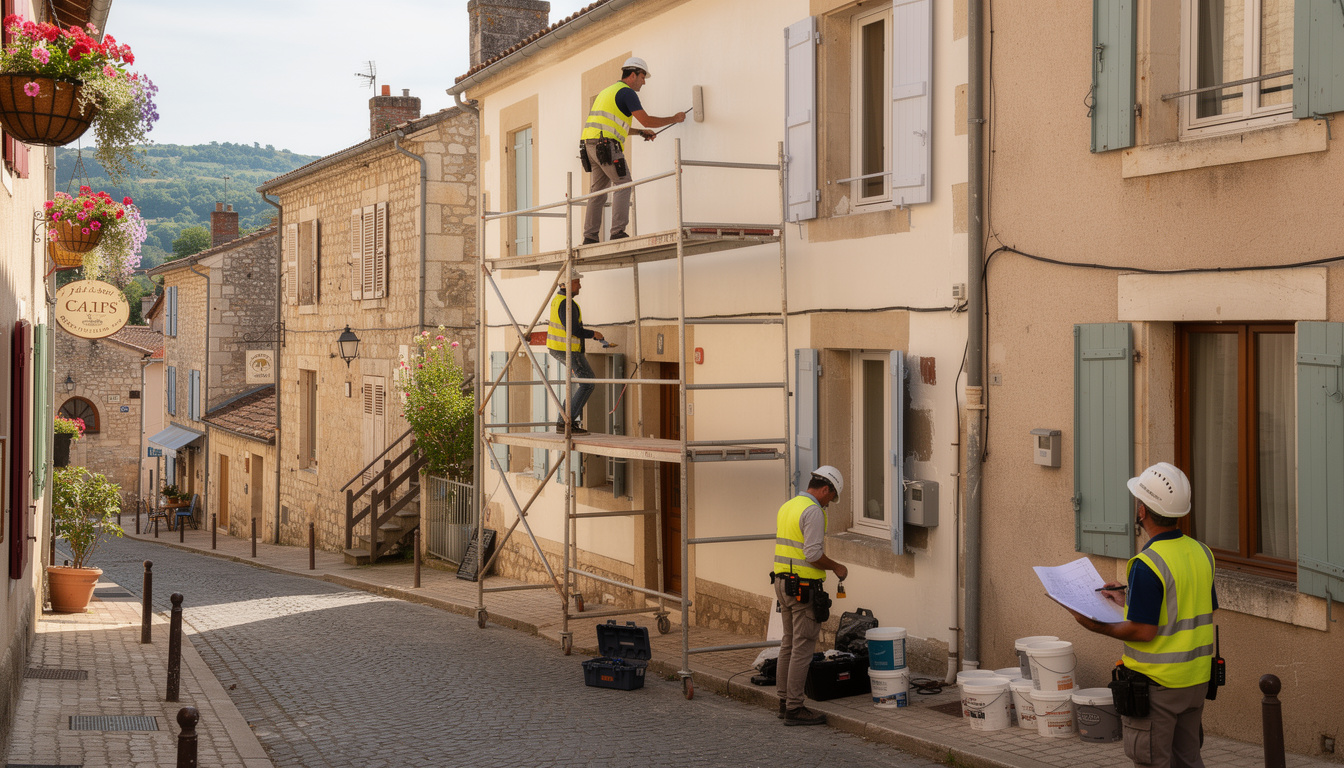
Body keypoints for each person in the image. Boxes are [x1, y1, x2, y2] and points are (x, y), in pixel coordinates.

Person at [1061, 462, 1217, 768]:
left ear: (1142, 510)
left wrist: (1093, 624)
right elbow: (1191, 605)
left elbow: (1144, 632)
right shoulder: (1202, 552)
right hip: (1196, 681)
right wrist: (1128, 601)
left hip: (1158, 686)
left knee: (1152, 762)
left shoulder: (1147, 563)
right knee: (1188, 761)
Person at [772, 466, 848, 726]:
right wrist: (836, 567)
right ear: (825, 489)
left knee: (788, 643)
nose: (829, 503)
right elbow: (813, 554)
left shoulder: (789, 506)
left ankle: (783, 702)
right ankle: (794, 708)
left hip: (782, 583)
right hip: (803, 588)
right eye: (832, 497)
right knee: (803, 648)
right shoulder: (813, 510)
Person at [581, 56, 686, 244]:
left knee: (597, 192)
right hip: (606, 146)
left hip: (590, 146)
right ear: (632, 75)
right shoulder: (627, 93)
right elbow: (646, 120)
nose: (644, 82)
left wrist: (640, 133)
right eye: (642, 77)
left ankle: (589, 237)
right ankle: (617, 232)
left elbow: (613, 125)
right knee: (624, 183)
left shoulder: (607, 92)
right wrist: (674, 118)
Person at [546, 270, 610, 434]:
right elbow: (573, 330)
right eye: (576, 282)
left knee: (579, 383)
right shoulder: (565, 303)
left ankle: (563, 421)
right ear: (565, 284)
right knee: (587, 382)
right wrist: (593, 334)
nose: (580, 286)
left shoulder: (559, 300)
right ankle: (566, 423)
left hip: (560, 348)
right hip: (568, 349)